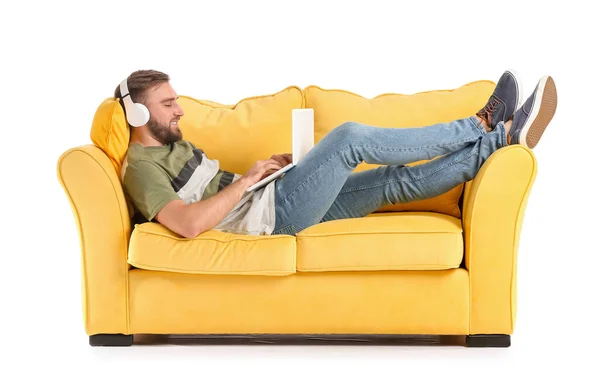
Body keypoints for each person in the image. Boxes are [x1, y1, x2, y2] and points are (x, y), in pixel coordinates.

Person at [117, 69, 557, 237]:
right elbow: (190, 224)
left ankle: (501, 141)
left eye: (176, 100)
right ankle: (479, 124)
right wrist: (251, 180)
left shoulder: (174, 144)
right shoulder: (140, 169)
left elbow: (215, 195)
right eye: (168, 104)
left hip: (272, 197)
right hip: (273, 215)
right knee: (348, 138)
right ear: (138, 113)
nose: (180, 110)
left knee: (393, 182)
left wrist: (265, 171)